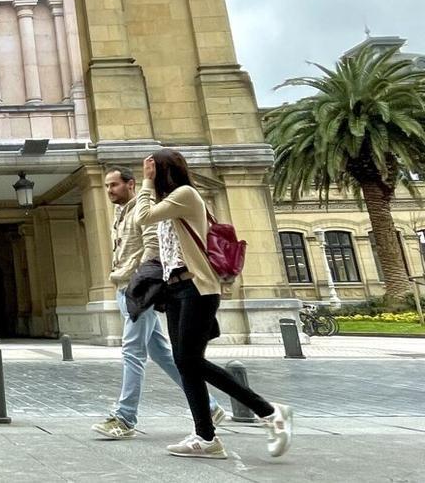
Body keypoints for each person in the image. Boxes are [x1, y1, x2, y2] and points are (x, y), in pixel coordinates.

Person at [134, 149, 292, 459]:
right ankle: (206, 438)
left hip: (197, 289)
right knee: (185, 363)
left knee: (191, 361)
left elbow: (142, 218)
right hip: (176, 290)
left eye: (152, 168)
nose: (148, 173)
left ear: (163, 170)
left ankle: (270, 412)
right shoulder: (172, 203)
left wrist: (145, 182)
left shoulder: (185, 194)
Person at [91, 166, 223, 440]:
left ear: (131, 184)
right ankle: (209, 407)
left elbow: (153, 248)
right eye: (106, 186)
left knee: (132, 351)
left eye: (114, 185)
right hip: (125, 287)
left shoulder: (143, 209)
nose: (109, 191)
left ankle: (125, 417)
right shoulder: (120, 212)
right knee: (163, 354)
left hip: (137, 288)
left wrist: (140, 283)